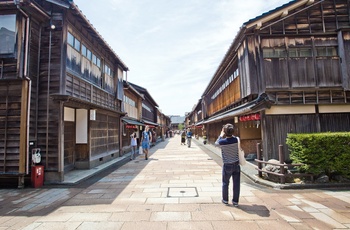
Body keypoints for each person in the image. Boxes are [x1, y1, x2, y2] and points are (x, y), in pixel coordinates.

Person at [214, 123, 241, 207]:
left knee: (225, 182)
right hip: (236, 164)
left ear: (224, 132)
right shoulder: (236, 139)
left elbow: (216, 144)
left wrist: (221, 135)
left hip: (227, 165)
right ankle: (235, 201)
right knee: (236, 183)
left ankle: (225, 200)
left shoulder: (222, 141)